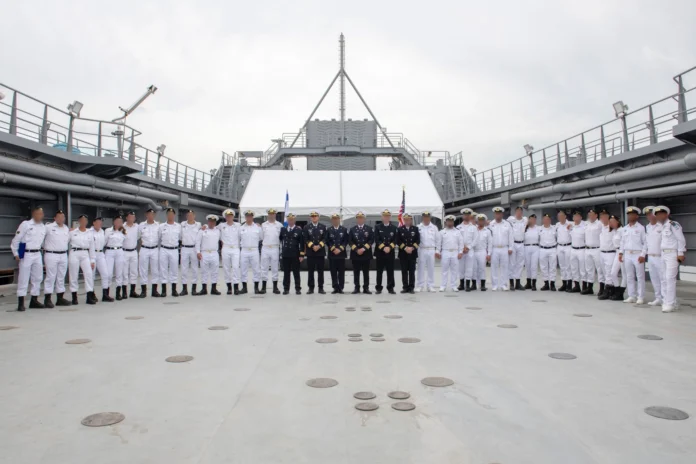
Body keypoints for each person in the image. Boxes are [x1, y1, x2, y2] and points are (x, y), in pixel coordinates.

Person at [654, 206, 685, 313]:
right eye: (657, 215)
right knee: (663, 278)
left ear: (667, 214)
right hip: (663, 254)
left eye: (661, 214)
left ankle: (669, 303)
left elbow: (681, 239)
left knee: (669, 279)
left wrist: (680, 253)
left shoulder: (673, 224)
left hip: (672, 254)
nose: (659, 216)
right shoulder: (660, 227)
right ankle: (669, 300)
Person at [618, 206, 647, 304]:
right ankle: (631, 295)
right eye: (629, 215)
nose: (630, 216)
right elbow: (622, 242)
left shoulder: (641, 228)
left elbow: (645, 242)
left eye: (632, 215)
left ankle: (641, 297)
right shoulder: (625, 229)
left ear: (636, 216)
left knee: (640, 276)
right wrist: (621, 253)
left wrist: (643, 254)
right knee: (629, 276)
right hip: (627, 254)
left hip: (637, 254)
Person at [42, 210, 71, 308]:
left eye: (62, 217)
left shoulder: (66, 228)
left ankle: (60, 298)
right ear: (55, 218)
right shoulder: (48, 227)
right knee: (50, 277)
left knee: (61, 277)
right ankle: (47, 299)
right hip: (51, 254)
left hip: (63, 254)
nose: (61, 219)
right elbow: (41, 239)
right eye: (59, 217)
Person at [69, 214, 98, 305]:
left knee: (88, 274)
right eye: (81, 220)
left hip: (85, 253)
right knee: (73, 275)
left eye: (85, 220)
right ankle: (74, 296)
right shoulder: (72, 232)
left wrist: (92, 260)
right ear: (79, 222)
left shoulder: (90, 232)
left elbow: (92, 247)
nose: (83, 222)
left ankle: (89, 296)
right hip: (74, 252)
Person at [195, 215, 221, 296]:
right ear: (208, 222)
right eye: (210, 221)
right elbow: (197, 242)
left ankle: (214, 288)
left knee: (215, 271)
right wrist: (198, 252)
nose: (211, 223)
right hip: (204, 253)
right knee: (204, 271)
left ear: (215, 222)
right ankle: (204, 289)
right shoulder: (202, 230)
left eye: (213, 221)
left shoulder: (218, 231)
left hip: (214, 252)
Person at [158, 208, 181, 297]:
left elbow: (180, 237)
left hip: (174, 249)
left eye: (172, 214)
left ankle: (174, 290)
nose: (170, 216)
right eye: (169, 214)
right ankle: (164, 291)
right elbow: (159, 237)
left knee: (174, 269)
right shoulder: (161, 226)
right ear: (167, 215)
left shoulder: (178, 226)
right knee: (163, 269)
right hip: (164, 249)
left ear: (174, 215)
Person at [348, 211, 373, 294]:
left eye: (361, 218)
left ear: (364, 219)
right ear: (356, 219)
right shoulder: (352, 229)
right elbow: (350, 241)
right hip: (355, 254)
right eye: (358, 218)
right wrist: (357, 250)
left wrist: (363, 249)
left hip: (366, 254)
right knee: (356, 272)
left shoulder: (369, 229)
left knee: (366, 272)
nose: (360, 219)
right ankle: (357, 287)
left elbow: (371, 240)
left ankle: (366, 288)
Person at [489, 206, 513, 291]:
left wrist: (510, 247)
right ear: (494, 214)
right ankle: (494, 285)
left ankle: (504, 284)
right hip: (494, 248)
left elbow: (510, 236)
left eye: (499, 214)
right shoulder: (491, 224)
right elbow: (489, 238)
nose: (498, 215)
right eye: (496, 214)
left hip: (504, 248)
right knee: (494, 267)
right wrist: (489, 251)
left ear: (502, 214)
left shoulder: (507, 224)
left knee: (504, 267)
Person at [280, 213, 305, 294]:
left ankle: (298, 288)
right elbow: (281, 240)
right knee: (286, 273)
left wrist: (301, 255)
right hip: (286, 254)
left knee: (296, 272)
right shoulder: (283, 229)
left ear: (294, 220)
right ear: (287, 220)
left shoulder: (299, 230)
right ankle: (286, 288)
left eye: (292, 219)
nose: (290, 221)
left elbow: (302, 243)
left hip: (295, 254)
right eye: (289, 219)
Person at [643, 206, 664, 306]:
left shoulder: (662, 226)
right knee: (654, 278)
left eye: (651, 214)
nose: (650, 216)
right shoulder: (647, 227)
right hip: (650, 256)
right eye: (648, 215)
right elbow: (646, 243)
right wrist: (643, 254)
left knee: (663, 279)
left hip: (660, 256)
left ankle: (666, 299)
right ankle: (658, 297)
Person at [374, 210, 398, 295]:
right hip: (380, 252)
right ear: (382, 217)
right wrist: (383, 247)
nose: (386, 217)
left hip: (390, 252)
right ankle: (378, 288)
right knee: (379, 271)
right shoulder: (377, 227)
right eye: (384, 216)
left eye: (388, 216)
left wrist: (390, 247)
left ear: (390, 217)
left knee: (390, 271)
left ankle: (390, 287)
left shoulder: (394, 228)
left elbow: (395, 240)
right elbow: (376, 239)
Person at [218, 209, 241, 295]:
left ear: (233, 216)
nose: (229, 217)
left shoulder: (238, 225)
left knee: (235, 267)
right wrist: (204, 226)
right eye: (227, 216)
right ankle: (229, 287)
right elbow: (212, 228)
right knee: (226, 268)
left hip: (235, 248)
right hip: (226, 248)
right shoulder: (221, 226)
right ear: (225, 217)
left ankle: (236, 287)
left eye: (231, 216)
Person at [437, 215, 463, 292]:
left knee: (454, 270)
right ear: (446, 222)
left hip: (455, 252)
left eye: (451, 221)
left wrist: (460, 252)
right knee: (444, 270)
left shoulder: (458, 232)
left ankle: (454, 285)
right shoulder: (442, 232)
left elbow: (460, 243)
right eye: (448, 221)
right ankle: (443, 286)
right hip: (445, 252)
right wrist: (438, 251)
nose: (450, 223)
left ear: (453, 222)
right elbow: (439, 243)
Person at [139, 208, 161, 298]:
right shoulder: (141, 225)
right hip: (144, 249)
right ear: (146, 215)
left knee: (155, 270)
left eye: (152, 214)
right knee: (143, 270)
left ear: (154, 215)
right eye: (149, 214)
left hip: (154, 249)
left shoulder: (158, 226)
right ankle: (143, 291)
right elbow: (137, 236)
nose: (151, 216)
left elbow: (160, 236)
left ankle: (154, 291)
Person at [303, 211, 327, 294]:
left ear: (318, 217)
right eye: (312, 216)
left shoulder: (323, 227)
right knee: (311, 271)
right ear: (310, 218)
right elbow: (305, 239)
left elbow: (325, 238)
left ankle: (321, 288)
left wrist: (319, 246)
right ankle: (311, 288)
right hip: (311, 252)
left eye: (315, 216)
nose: (314, 217)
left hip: (320, 252)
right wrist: (313, 246)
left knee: (320, 271)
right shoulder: (306, 227)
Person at [260, 208, 283, 294]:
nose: (271, 215)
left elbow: (281, 238)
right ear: (268, 215)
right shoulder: (263, 225)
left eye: (273, 214)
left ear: (275, 215)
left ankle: (275, 287)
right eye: (270, 214)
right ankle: (263, 287)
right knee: (264, 267)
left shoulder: (279, 225)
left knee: (275, 267)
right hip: (265, 247)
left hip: (274, 247)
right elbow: (261, 237)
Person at [104, 215, 127, 300]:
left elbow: (125, 242)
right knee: (109, 274)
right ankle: (106, 293)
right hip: (109, 251)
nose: (119, 223)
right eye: (117, 221)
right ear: (114, 222)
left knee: (119, 273)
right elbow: (104, 242)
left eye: (120, 221)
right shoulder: (108, 231)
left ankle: (118, 293)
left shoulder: (123, 231)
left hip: (119, 251)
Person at [240, 210, 263, 294]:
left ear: (252, 217)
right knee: (243, 269)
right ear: (245, 217)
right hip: (244, 250)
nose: (249, 218)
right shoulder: (241, 227)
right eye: (247, 216)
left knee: (256, 269)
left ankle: (256, 288)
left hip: (254, 250)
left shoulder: (257, 227)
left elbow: (261, 238)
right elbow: (238, 238)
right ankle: (244, 288)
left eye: (250, 216)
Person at [415, 211, 438, 292]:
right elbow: (416, 240)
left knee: (431, 268)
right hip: (422, 249)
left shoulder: (434, 227)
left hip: (431, 249)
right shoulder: (418, 227)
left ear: (430, 218)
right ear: (422, 217)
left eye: (427, 217)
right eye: (424, 217)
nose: (426, 218)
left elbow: (437, 240)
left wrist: (437, 251)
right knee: (420, 268)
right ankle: (420, 285)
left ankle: (430, 285)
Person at [180, 209, 201, 297]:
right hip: (184, 247)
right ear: (186, 216)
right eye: (188, 215)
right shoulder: (182, 225)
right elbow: (180, 236)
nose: (190, 216)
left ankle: (194, 289)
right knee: (184, 269)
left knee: (195, 269)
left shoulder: (198, 225)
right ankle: (184, 289)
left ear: (194, 216)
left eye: (192, 215)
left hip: (193, 248)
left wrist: (198, 251)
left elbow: (199, 238)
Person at [397, 213, 420, 293]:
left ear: (411, 220)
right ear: (403, 220)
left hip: (412, 253)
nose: (407, 221)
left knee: (411, 271)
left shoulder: (415, 229)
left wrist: (412, 248)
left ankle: (411, 287)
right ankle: (405, 287)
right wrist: (405, 248)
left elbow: (418, 241)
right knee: (404, 271)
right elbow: (398, 241)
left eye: (409, 219)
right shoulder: (400, 229)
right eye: (405, 219)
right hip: (403, 253)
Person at [603, 215, 624, 301]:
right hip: (617, 252)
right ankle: (617, 289)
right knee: (613, 273)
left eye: (613, 221)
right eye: (610, 222)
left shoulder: (622, 230)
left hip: (622, 253)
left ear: (617, 222)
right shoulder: (614, 231)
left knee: (625, 275)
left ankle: (620, 293)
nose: (611, 223)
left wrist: (621, 253)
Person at [598, 212, 618, 300]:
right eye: (601, 217)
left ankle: (608, 290)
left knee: (609, 272)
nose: (603, 219)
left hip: (610, 253)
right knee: (604, 272)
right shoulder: (601, 227)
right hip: (602, 252)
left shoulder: (613, 229)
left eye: (605, 217)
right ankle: (610, 290)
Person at [326, 213, 348, 294]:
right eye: (334, 219)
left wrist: (340, 249)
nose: (335, 220)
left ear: (339, 220)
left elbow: (346, 241)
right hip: (332, 254)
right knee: (333, 271)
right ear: (332, 220)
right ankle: (335, 287)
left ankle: (341, 287)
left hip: (341, 254)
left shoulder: (344, 229)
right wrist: (333, 248)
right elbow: (327, 241)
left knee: (341, 272)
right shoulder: (329, 230)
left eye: (337, 219)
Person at [456, 208, 478, 292]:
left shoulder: (473, 227)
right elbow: (457, 239)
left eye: (468, 215)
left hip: (470, 250)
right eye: (465, 215)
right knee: (461, 268)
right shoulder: (458, 227)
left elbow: (475, 239)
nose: (466, 216)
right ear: (462, 216)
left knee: (469, 268)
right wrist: (462, 247)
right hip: (461, 250)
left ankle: (468, 285)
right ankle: (461, 284)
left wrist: (468, 247)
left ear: (470, 216)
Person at [583, 209, 603, 295]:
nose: (590, 216)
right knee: (589, 269)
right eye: (589, 215)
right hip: (587, 249)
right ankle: (589, 287)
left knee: (599, 269)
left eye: (592, 215)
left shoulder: (600, 224)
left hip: (597, 249)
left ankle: (602, 288)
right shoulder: (586, 224)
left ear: (596, 215)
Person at [507, 206, 528, 291]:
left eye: (520, 211)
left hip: (521, 244)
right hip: (513, 244)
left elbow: (530, 222)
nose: (519, 213)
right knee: (512, 263)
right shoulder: (511, 219)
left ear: (522, 213)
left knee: (520, 264)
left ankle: (518, 283)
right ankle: (511, 283)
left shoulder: (525, 220)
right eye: (517, 211)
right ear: (515, 212)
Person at [91, 217, 111, 301]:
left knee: (105, 274)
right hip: (92, 254)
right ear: (93, 223)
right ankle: (91, 294)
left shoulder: (102, 232)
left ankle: (105, 294)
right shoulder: (89, 232)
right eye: (97, 222)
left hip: (100, 253)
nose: (99, 224)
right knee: (91, 276)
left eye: (100, 223)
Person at [122, 211, 140, 298]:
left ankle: (132, 291)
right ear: (126, 218)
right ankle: (124, 291)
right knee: (124, 272)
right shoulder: (122, 227)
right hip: (124, 251)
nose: (131, 219)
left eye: (133, 217)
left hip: (133, 251)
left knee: (134, 272)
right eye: (130, 217)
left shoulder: (137, 227)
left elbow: (139, 236)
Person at [568, 211, 587, 293]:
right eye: (575, 216)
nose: (576, 218)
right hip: (573, 249)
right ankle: (576, 285)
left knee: (583, 269)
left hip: (581, 249)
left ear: (581, 218)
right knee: (574, 268)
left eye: (578, 216)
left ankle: (584, 286)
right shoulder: (571, 227)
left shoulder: (584, 227)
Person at [473, 213, 491, 291]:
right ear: (477, 221)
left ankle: (482, 285)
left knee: (482, 268)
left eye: (482, 220)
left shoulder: (487, 231)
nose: (481, 222)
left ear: (484, 222)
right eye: (479, 220)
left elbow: (490, 243)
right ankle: (474, 284)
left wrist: (489, 254)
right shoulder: (473, 229)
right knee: (474, 268)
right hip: (473, 251)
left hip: (482, 251)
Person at [538, 213, 557, 291]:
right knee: (543, 267)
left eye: (547, 219)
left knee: (553, 267)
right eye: (544, 219)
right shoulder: (539, 229)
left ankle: (552, 283)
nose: (546, 221)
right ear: (543, 220)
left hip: (552, 249)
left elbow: (557, 238)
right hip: (543, 249)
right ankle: (546, 283)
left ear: (550, 220)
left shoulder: (555, 228)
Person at [555, 210, 572, 291]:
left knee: (568, 266)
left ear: (565, 216)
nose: (560, 218)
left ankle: (569, 283)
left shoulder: (570, 224)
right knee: (562, 266)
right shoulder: (557, 225)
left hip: (568, 246)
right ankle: (564, 283)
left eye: (562, 216)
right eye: (559, 216)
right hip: (560, 246)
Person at [523, 214, 540, 291]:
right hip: (526, 247)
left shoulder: (538, 229)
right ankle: (528, 282)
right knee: (528, 266)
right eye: (531, 219)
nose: (532, 220)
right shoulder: (525, 228)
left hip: (535, 247)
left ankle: (534, 283)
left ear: (535, 220)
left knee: (534, 266)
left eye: (534, 219)